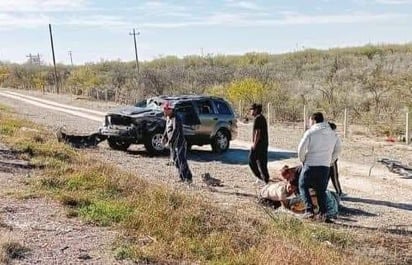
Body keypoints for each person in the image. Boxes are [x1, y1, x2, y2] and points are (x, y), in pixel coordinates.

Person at [297, 112, 341, 222]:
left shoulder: (311, 132)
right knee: (321, 191)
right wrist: (330, 160)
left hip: (310, 164)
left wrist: (303, 160)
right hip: (325, 167)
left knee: (303, 185)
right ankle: (323, 214)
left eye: (309, 121)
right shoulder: (333, 133)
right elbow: (338, 149)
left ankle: (309, 210)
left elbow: (301, 149)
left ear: (313, 120)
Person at [162, 101, 193, 183]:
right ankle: (182, 177)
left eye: (166, 109)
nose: (164, 110)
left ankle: (188, 178)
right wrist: (164, 137)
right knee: (176, 161)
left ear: (171, 109)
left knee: (181, 160)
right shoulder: (168, 117)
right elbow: (167, 129)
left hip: (179, 143)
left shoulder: (176, 117)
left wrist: (170, 141)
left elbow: (176, 130)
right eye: (164, 108)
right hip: (173, 144)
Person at [248, 103, 270, 184]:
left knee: (251, 160)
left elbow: (258, 132)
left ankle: (260, 177)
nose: (251, 111)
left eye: (252, 110)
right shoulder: (262, 118)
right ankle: (265, 179)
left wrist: (254, 144)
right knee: (262, 162)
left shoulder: (258, 118)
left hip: (259, 144)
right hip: (264, 144)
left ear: (256, 110)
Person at [328, 122, 344, 197]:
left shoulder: (334, 137)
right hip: (328, 160)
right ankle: (338, 192)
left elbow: (337, 150)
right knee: (330, 177)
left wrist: (332, 160)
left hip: (329, 160)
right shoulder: (331, 136)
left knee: (331, 177)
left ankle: (339, 192)